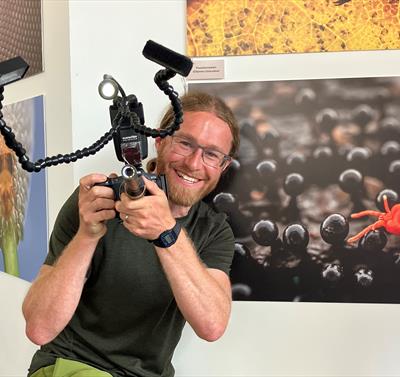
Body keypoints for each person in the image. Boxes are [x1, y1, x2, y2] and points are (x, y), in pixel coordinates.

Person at [22, 91, 240, 377]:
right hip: (75, 366)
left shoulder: (213, 230)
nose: (194, 163)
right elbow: (39, 327)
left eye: (212, 154)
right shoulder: (96, 202)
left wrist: (166, 233)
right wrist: (86, 236)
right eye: (185, 143)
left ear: (223, 166)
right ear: (160, 141)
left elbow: (212, 326)